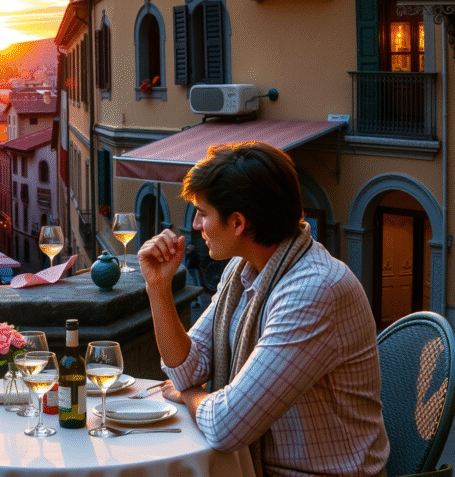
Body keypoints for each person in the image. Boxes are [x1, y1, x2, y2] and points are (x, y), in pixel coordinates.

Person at [137, 141, 389, 477]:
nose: (196, 225)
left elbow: (225, 425)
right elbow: (185, 369)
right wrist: (158, 287)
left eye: (203, 213)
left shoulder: (313, 292)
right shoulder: (242, 271)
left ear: (238, 223)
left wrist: (193, 395)